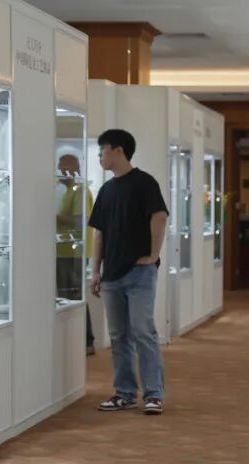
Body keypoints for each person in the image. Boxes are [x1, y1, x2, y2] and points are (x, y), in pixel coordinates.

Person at [88, 129, 170, 416]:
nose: (100, 156)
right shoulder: (106, 190)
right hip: (111, 275)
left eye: (102, 150)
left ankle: (154, 394)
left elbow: (159, 216)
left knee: (143, 332)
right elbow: (99, 233)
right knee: (119, 336)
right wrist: (95, 270)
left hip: (139, 273)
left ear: (118, 150)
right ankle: (124, 393)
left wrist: (154, 255)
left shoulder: (144, 183)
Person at [56, 154, 96, 355]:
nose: (60, 171)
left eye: (63, 167)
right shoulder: (68, 191)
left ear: (74, 168)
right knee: (66, 296)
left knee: (74, 295)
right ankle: (75, 341)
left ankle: (86, 341)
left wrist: (54, 217)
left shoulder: (80, 191)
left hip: (74, 253)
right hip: (64, 251)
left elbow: (80, 221)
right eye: (59, 167)